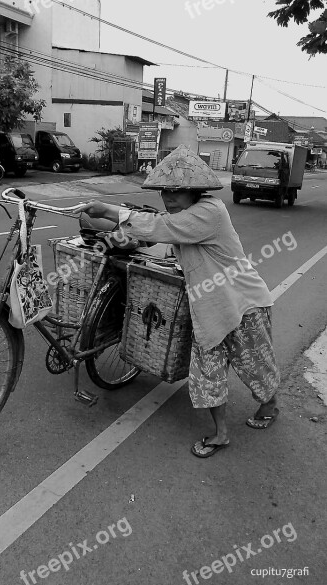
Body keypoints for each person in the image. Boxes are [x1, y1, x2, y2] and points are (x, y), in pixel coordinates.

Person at [72, 145, 280, 458]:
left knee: (255, 366)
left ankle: (269, 404)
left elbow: (162, 228)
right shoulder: (184, 216)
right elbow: (168, 239)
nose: (168, 198)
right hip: (208, 309)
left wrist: (107, 210)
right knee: (206, 372)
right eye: (164, 191)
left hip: (243, 303)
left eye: (176, 191)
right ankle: (221, 434)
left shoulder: (210, 212)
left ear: (195, 190)